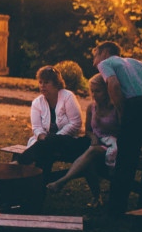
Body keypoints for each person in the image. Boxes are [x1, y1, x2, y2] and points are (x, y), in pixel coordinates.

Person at [93, 41, 142, 214]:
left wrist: (122, 111)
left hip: (134, 106)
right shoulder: (137, 62)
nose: (94, 62)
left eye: (95, 56)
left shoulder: (106, 63)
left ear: (104, 52)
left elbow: (113, 84)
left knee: (126, 159)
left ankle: (117, 210)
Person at [46, 74, 119, 207]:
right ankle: (97, 198)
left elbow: (123, 131)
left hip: (113, 146)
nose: (94, 94)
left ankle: (62, 181)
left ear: (107, 90)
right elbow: (88, 131)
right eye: (92, 91)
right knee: (88, 162)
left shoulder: (116, 108)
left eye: (98, 91)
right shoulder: (92, 107)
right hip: (97, 143)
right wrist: (94, 137)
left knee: (92, 151)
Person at [15, 65, 86, 174]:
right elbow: (36, 127)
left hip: (68, 141)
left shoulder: (67, 97)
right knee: (44, 151)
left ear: (56, 83)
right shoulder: (37, 102)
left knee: (45, 146)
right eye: (40, 82)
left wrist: (55, 139)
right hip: (44, 143)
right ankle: (40, 184)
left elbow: (76, 123)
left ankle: (19, 163)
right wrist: (42, 137)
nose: (42, 86)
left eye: (46, 82)